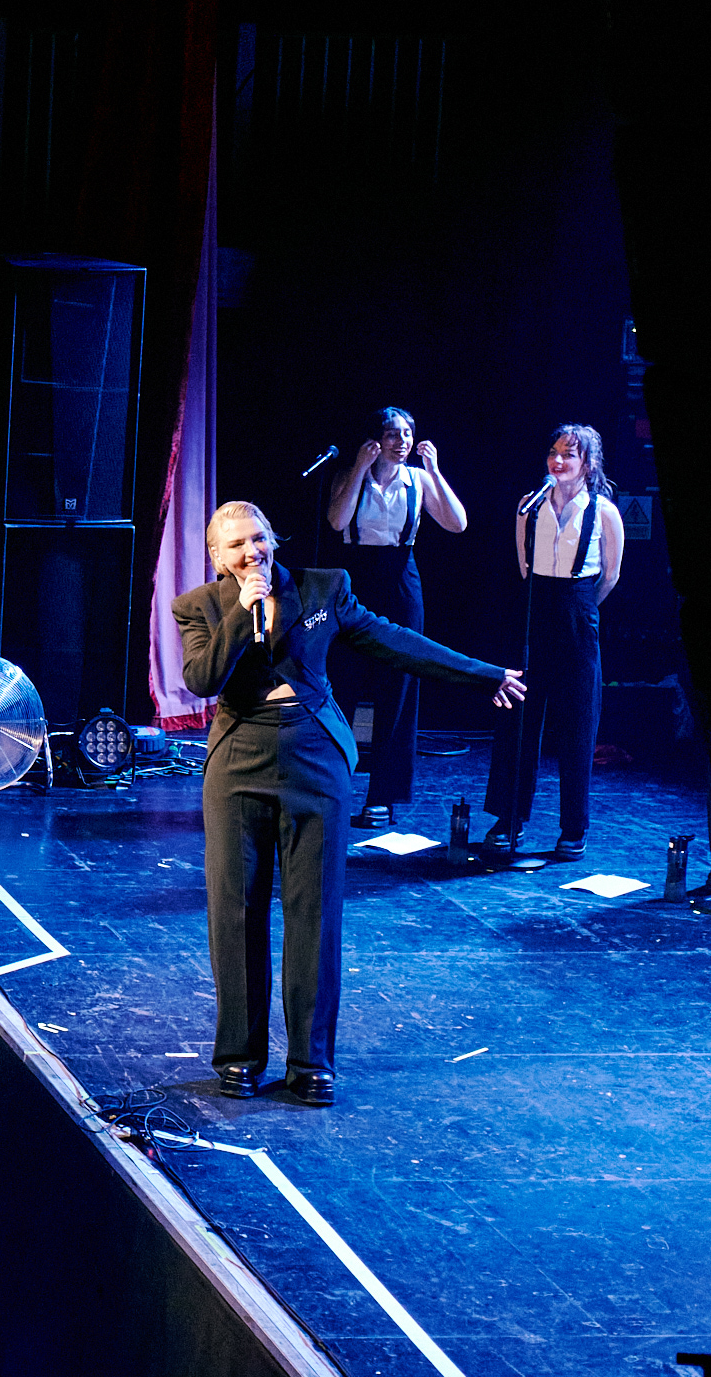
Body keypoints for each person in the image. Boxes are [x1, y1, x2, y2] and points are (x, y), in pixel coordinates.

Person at [173, 501, 525, 1106]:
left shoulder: (324, 589)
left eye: (259, 538)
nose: (252, 552)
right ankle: (240, 1057)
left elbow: (397, 643)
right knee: (236, 913)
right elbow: (204, 679)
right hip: (238, 764)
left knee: (315, 914)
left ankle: (311, 1062)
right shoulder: (200, 606)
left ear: (273, 538)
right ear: (217, 557)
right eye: (236, 546)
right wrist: (241, 607)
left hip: (314, 759)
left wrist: (483, 674)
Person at [322, 407, 473, 825]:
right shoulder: (351, 473)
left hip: (401, 579)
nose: (401, 442)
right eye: (392, 434)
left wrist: (436, 471)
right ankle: (332, 786)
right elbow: (336, 522)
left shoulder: (419, 480)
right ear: (375, 440)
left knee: (399, 687)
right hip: (357, 578)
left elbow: (458, 524)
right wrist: (358, 468)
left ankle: (382, 796)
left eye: (407, 433)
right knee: (343, 683)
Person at [485, 423, 627, 862]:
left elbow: (610, 575)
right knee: (520, 717)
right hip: (535, 608)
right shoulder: (529, 507)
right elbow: (524, 567)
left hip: (578, 609)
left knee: (578, 721)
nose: (558, 461)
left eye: (569, 454)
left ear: (588, 463)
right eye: (554, 452)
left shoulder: (604, 511)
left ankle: (573, 826)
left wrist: (578, 607)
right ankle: (509, 817)